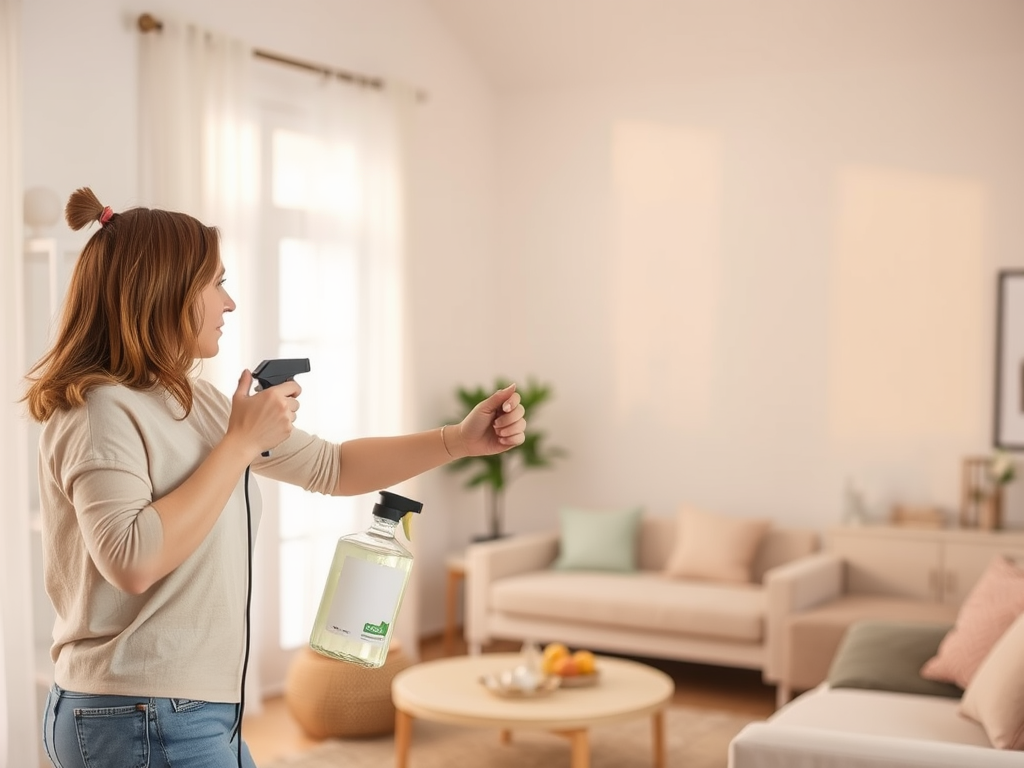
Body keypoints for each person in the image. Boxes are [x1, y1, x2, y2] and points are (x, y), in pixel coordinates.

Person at [22, 187, 527, 768]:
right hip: (137, 714)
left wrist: (457, 440)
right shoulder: (98, 408)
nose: (229, 302)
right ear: (164, 292)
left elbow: (332, 467)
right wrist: (240, 444)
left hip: (193, 712)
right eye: (216, 283)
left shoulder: (199, 403)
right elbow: (131, 559)